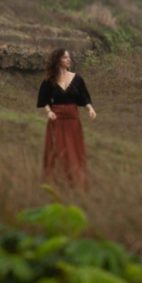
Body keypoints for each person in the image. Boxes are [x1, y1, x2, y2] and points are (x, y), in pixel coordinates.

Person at [36, 48, 95, 187]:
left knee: (73, 150)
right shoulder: (49, 80)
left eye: (69, 57)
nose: (68, 60)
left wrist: (90, 108)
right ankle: (55, 180)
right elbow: (44, 101)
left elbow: (84, 97)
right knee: (57, 149)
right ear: (57, 60)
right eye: (65, 57)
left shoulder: (77, 78)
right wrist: (49, 112)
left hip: (73, 120)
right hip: (56, 119)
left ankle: (75, 181)